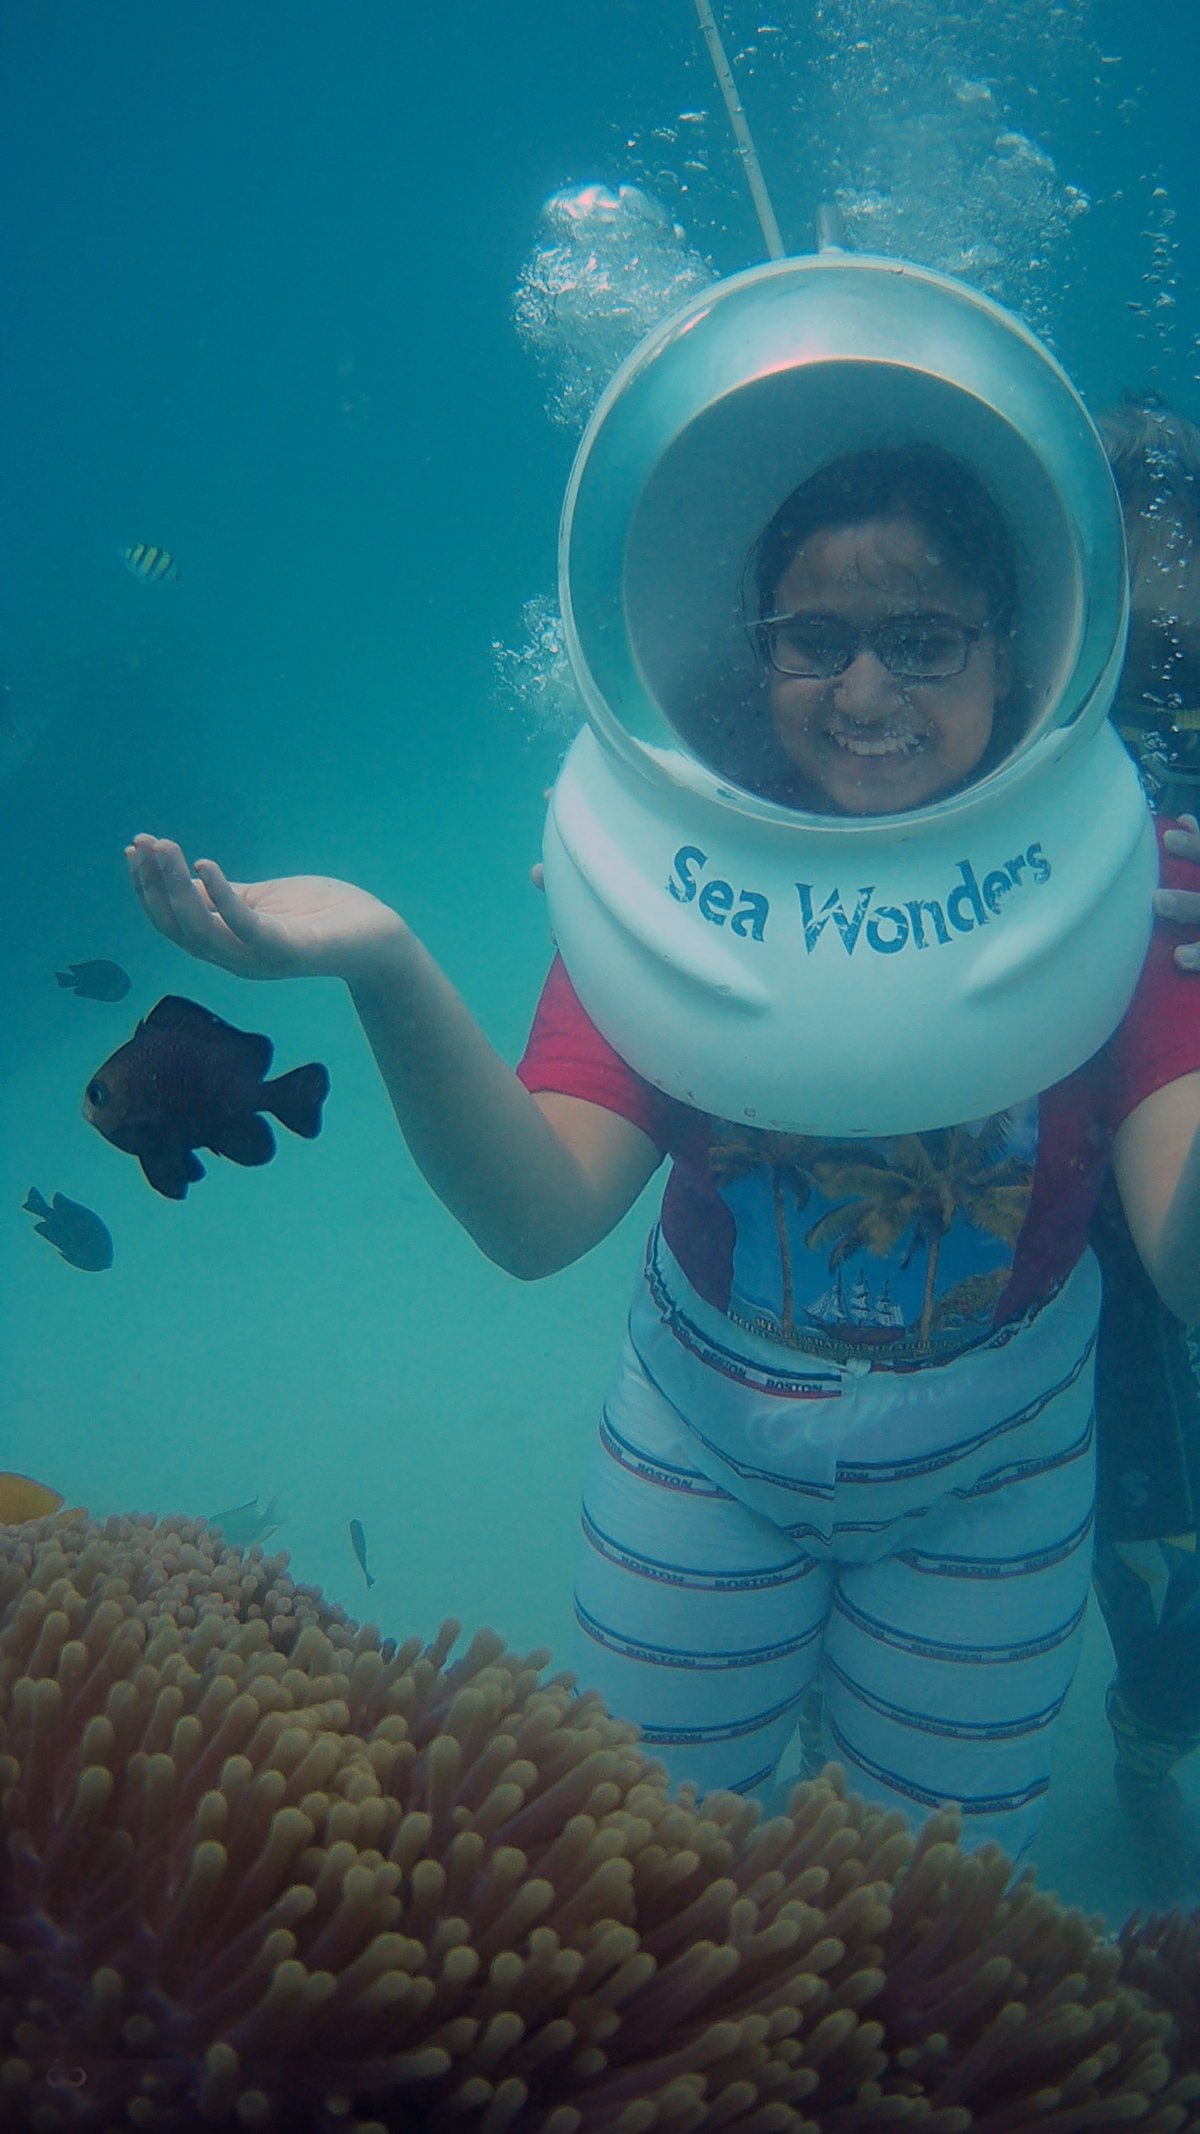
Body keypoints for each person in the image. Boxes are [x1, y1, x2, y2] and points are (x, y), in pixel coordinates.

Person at [127, 440, 1200, 1862]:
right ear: (756, 655)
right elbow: (538, 1214)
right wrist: (383, 964)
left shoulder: (1120, 883)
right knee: (653, 1862)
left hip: (997, 1465)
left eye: (927, 640)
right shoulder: (677, 882)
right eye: (817, 638)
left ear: (1020, 655)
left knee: (934, 1898)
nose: (868, 691)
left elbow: (1185, 1265)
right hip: (702, 1444)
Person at [1089, 393, 1200, 1886]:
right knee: (1149, 1502)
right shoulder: (1036, 664)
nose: (1149, 514)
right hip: (1077, 1136)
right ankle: (1147, 1727)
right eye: (1115, 486)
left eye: (1168, 482)